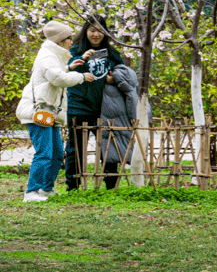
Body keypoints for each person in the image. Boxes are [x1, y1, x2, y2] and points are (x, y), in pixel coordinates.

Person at [16, 21, 95, 201]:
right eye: (68, 38)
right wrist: (81, 76)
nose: (71, 42)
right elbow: (58, 79)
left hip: (48, 112)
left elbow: (51, 75)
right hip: (38, 111)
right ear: (59, 40)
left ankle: (46, 189)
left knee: (58, 153)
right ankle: (31, 192)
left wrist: (69, 67)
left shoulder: (52, 56)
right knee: (44, 153)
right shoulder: (47, 56)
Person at [65, 15, 124, 191]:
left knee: (108, 147)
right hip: (79, 106)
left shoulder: (112, 53)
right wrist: (82, 58)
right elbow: (65, 72)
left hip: (105, 109)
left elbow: (122, 73)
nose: (96, 34)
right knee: (76, 149)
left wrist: (115, 79)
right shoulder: (75, 50)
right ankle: (73, 187)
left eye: (100, 30)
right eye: (92, 30)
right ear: (86, 32)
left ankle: (110, 186)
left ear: (105, 33)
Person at [100, 59, 143, 189]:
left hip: (111, 122)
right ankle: (134, 182)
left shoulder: (112, 80)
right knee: (119, 150)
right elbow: (132, 98)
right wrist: (133, 117)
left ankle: (110, 186)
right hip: (124, 122)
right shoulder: (129, 78)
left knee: (109, 151)